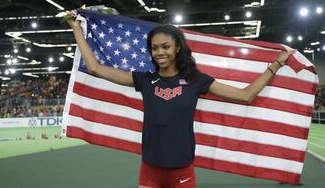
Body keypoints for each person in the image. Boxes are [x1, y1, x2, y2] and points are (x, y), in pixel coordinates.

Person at [66, 10, 293, 188]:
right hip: (149, 171)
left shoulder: (196, 81)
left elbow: (246, 95)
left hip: (182, 173)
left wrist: (276, 64)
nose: (159, 52)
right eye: (154, 48)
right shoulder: (144, 80)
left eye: (165, 46)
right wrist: (76, 28)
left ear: (177, 48)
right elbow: (95, 68)